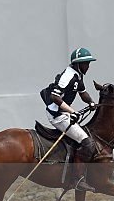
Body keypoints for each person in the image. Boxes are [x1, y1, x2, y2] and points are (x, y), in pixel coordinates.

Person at [41, 47, 100, 191]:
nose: (88, 66)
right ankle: (77, 179)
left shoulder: (78, 76)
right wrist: (72, 111)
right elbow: (54, 97)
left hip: (63, 113)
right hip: (57, 115)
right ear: (77, 64)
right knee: (87, 143)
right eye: (85, 63)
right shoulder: (67, 76)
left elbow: (83, 92)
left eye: (88, 63)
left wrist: (91, 102)